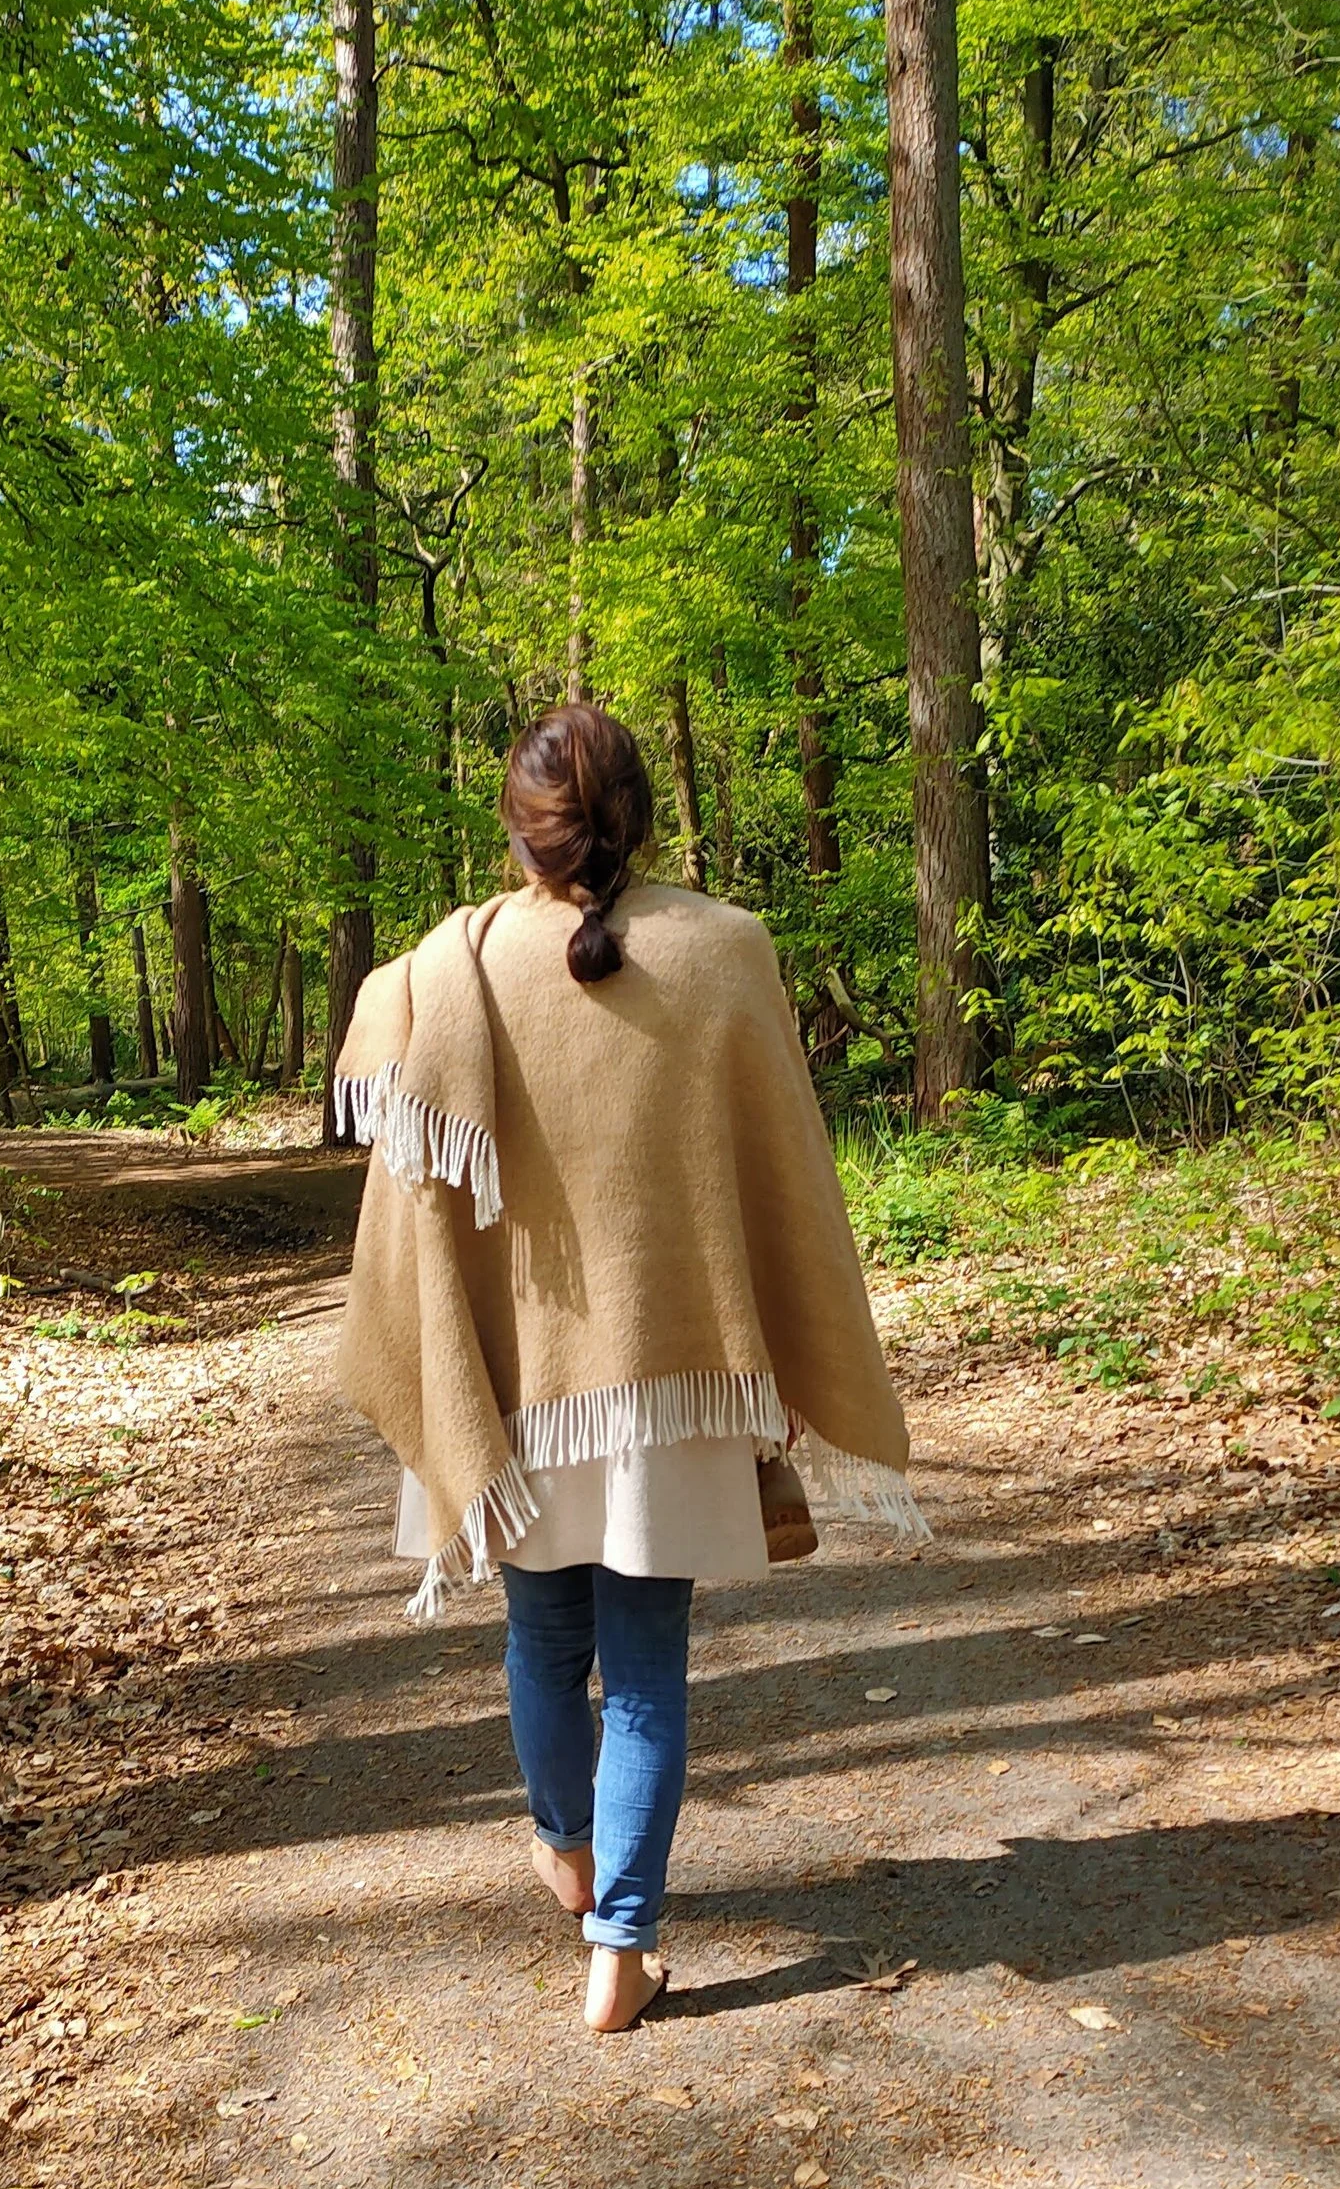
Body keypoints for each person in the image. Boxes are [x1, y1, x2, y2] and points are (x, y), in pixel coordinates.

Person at [335, 702, 925, 2033]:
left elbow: (399, 1175)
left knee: (546, 1640)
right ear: (645, 817)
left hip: (525, 1377)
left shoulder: (443, 969)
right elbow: (792, 1184)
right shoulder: (727, 951)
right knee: (648, 1670)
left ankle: (571, 1851)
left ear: (521, 825)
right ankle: (623, 1943)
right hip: (677, 1376)